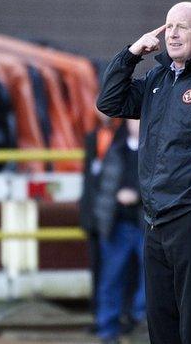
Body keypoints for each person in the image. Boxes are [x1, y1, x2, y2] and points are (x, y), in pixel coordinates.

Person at [96, 1, 191, 344]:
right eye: (169, 26)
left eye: (182, 26)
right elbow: (110, 101)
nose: (173, 33)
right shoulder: (157, 80)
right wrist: (131, 54)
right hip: (154, 221)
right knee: (161, 324)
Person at [79, 115, 145, 344]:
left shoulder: (154, 152)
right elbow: (102, 188)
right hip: (117, 225)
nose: (136, 124)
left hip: (145, 226)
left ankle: (141, 321)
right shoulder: (115, 151)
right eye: (134, 120)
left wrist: (137, 195)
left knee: (152, 279)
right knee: (111, 279)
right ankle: (108, 330)